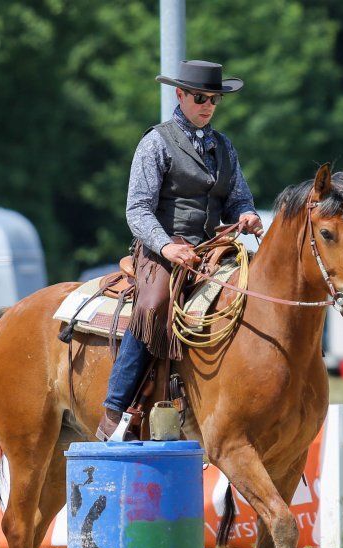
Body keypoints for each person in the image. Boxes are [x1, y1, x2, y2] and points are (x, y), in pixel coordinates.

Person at [97, 59, 263, 441]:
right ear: (181, 95)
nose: (208, 106)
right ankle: (114, 409)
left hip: (212, 249)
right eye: (201, 98)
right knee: (153, 306)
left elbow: (237, 198)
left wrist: (248, 215)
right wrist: (167, 247)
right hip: (161, 251)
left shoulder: (224, 146)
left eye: (215, 100)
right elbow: (137, 209)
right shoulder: (156, 141)